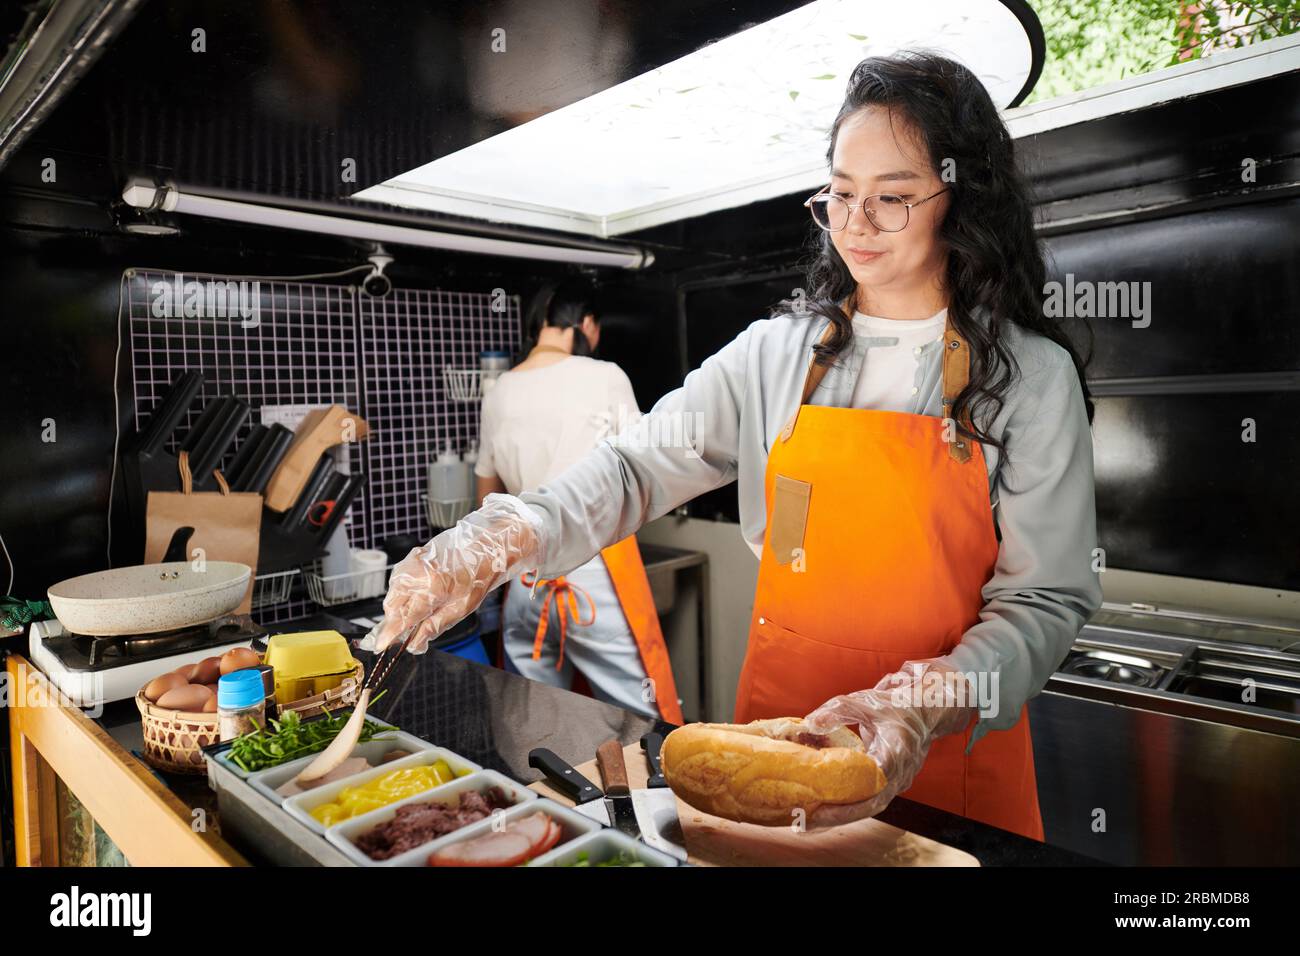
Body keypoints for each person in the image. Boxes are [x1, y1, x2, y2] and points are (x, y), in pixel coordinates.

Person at [374, 51, 1102, 840]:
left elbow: (1044, 600)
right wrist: (516, 526)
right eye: (840, 195)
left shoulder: (1028, 375)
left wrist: (918, 707)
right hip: (774, 749)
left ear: (963, 201)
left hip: (947, 766)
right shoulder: (776, 354)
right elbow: (635, 464)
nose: (856, 225)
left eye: (891, 198)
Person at [471, 280, 681, 723]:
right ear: (584, 324)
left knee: (536, 715)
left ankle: (547, 794)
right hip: (597, 575)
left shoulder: (499, 391)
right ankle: (656, 791)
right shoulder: (604, 376)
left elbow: (486, 500)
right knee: (639, 712)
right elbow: (648, 464)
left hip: (526, 581)